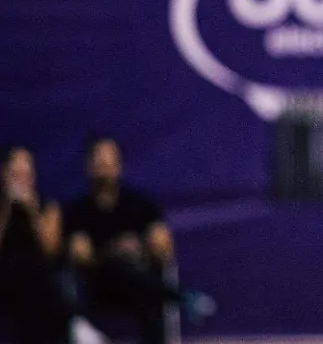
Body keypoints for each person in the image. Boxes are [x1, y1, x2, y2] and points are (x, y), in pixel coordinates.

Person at [63, 136, 209, 344]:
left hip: (140, 283)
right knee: (118, 264)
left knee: (147, 294)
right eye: (100, 163)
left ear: (119, 166)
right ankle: (180, 296)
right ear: (90, 167)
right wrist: (112, 250)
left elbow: (164, 248)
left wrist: (142, 249)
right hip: (101, 286)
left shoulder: (140, 205)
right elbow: (80, 254)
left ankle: (172, 296)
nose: (105, 170)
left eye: (110, 163)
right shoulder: (78, 211)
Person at [0, 146, 72, 344]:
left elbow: (50, 249)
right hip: (4, 276)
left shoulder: (48, 206)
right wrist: (7, 208)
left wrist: (31, 210)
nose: (21, 180)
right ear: (4, 174)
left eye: (26, 174)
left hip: (38, 281)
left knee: (44, 281)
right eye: (15, 174)